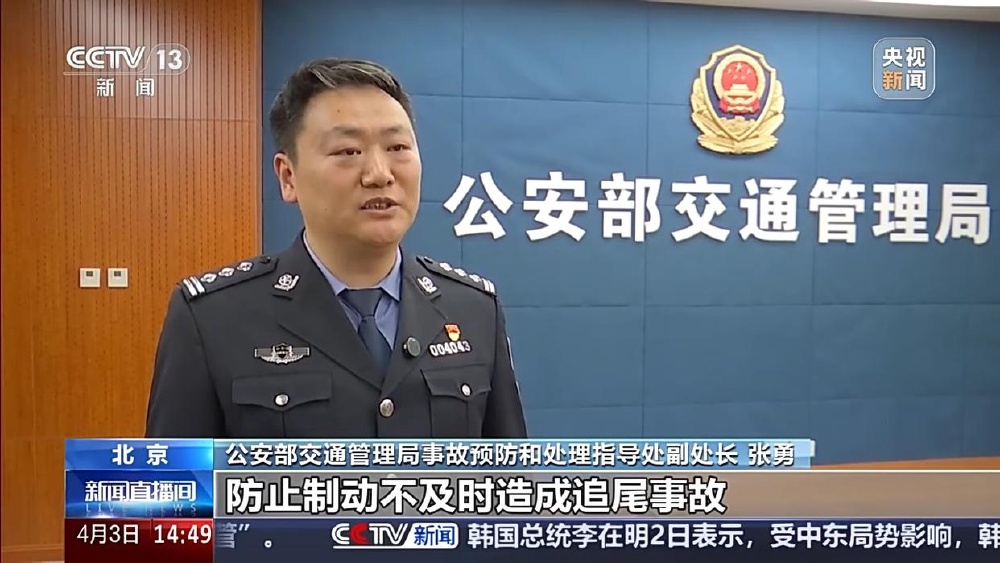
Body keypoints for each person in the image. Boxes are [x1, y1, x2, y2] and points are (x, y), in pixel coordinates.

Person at [145, 58, 527, 439]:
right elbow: (179, 476)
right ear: (288, 177)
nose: (379, 174)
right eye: (347, 151)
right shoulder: (213, 318)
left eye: (397, 146)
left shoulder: (474, 310)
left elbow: (511, 471)